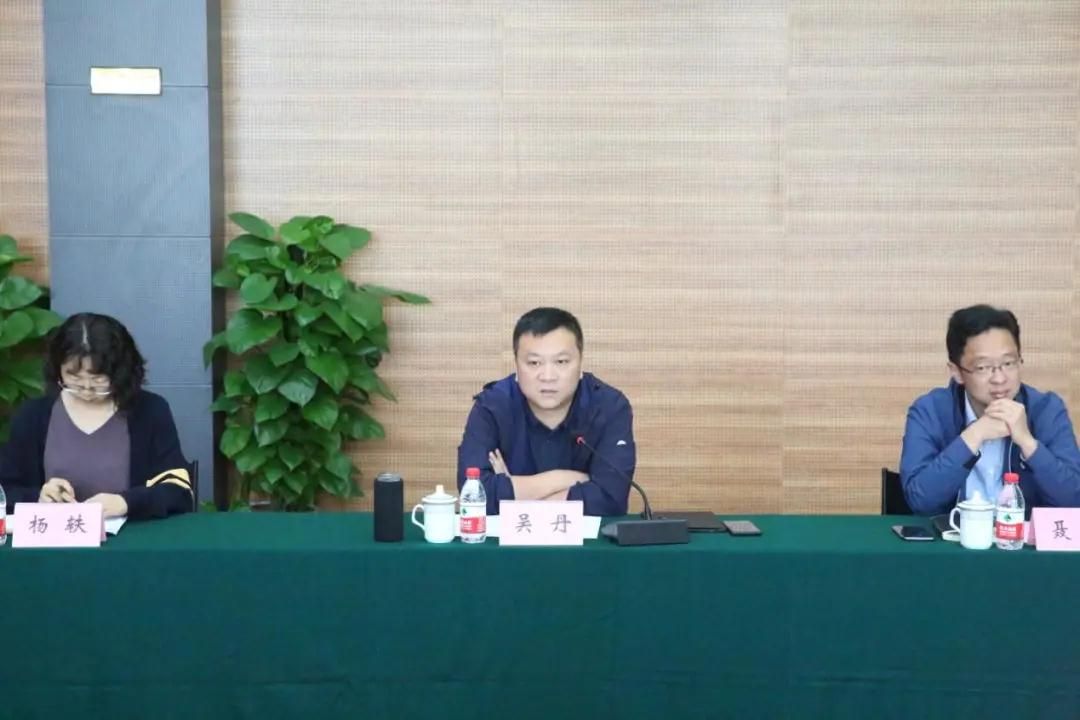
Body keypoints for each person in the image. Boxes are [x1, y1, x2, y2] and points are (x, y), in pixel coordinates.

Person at [0, 313, 193, 519]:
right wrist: (39, 497)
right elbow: (6, 490)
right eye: (73, 376)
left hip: (131, 535)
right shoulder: (33, 415)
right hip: (56, 535)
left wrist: (126, 503)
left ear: (121, 371)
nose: (86, 388)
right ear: (57, 369)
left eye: (98, 378)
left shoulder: (150, 410)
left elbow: (178, 492)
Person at [900, 304, 1080, 516]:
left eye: (1008, 363)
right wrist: (974, 435)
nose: (999, 378)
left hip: (1020, 536)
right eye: (983, 367)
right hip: (954, 535)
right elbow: (921, 501)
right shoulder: (930, 411)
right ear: (956, 372)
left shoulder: (1046, 409)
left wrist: (1028, 444)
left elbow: (1073, 500)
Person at [457, 307, 635, 516]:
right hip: (508, 539)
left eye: (561, 362)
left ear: (580, 364)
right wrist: (566, 479)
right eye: (534, 363)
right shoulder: (492, 406)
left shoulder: (609, 406)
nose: (548, 376)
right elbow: (475, 494)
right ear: (516, 365)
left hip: (587, 538)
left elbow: (610, 499)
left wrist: (512, 492)